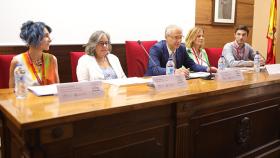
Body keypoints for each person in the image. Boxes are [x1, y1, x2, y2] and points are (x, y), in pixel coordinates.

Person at [145, 25, 213, 78]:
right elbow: (154, 70)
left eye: (180, 37)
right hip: (153, 83)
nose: (179, 40)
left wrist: (207, 69)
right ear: (166, 37)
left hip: (173, 83)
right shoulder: (156, 48)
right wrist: (174, 71)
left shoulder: (181, 48)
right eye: (176, 37)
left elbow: (192, 65)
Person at [9, 21, 59, 88]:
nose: (50, 40)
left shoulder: (52, 59)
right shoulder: (17, 61)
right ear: (34, 38)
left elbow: (57, 88)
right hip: (27, 98)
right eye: (46, 36)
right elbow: (11, 91)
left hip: (49, 98)